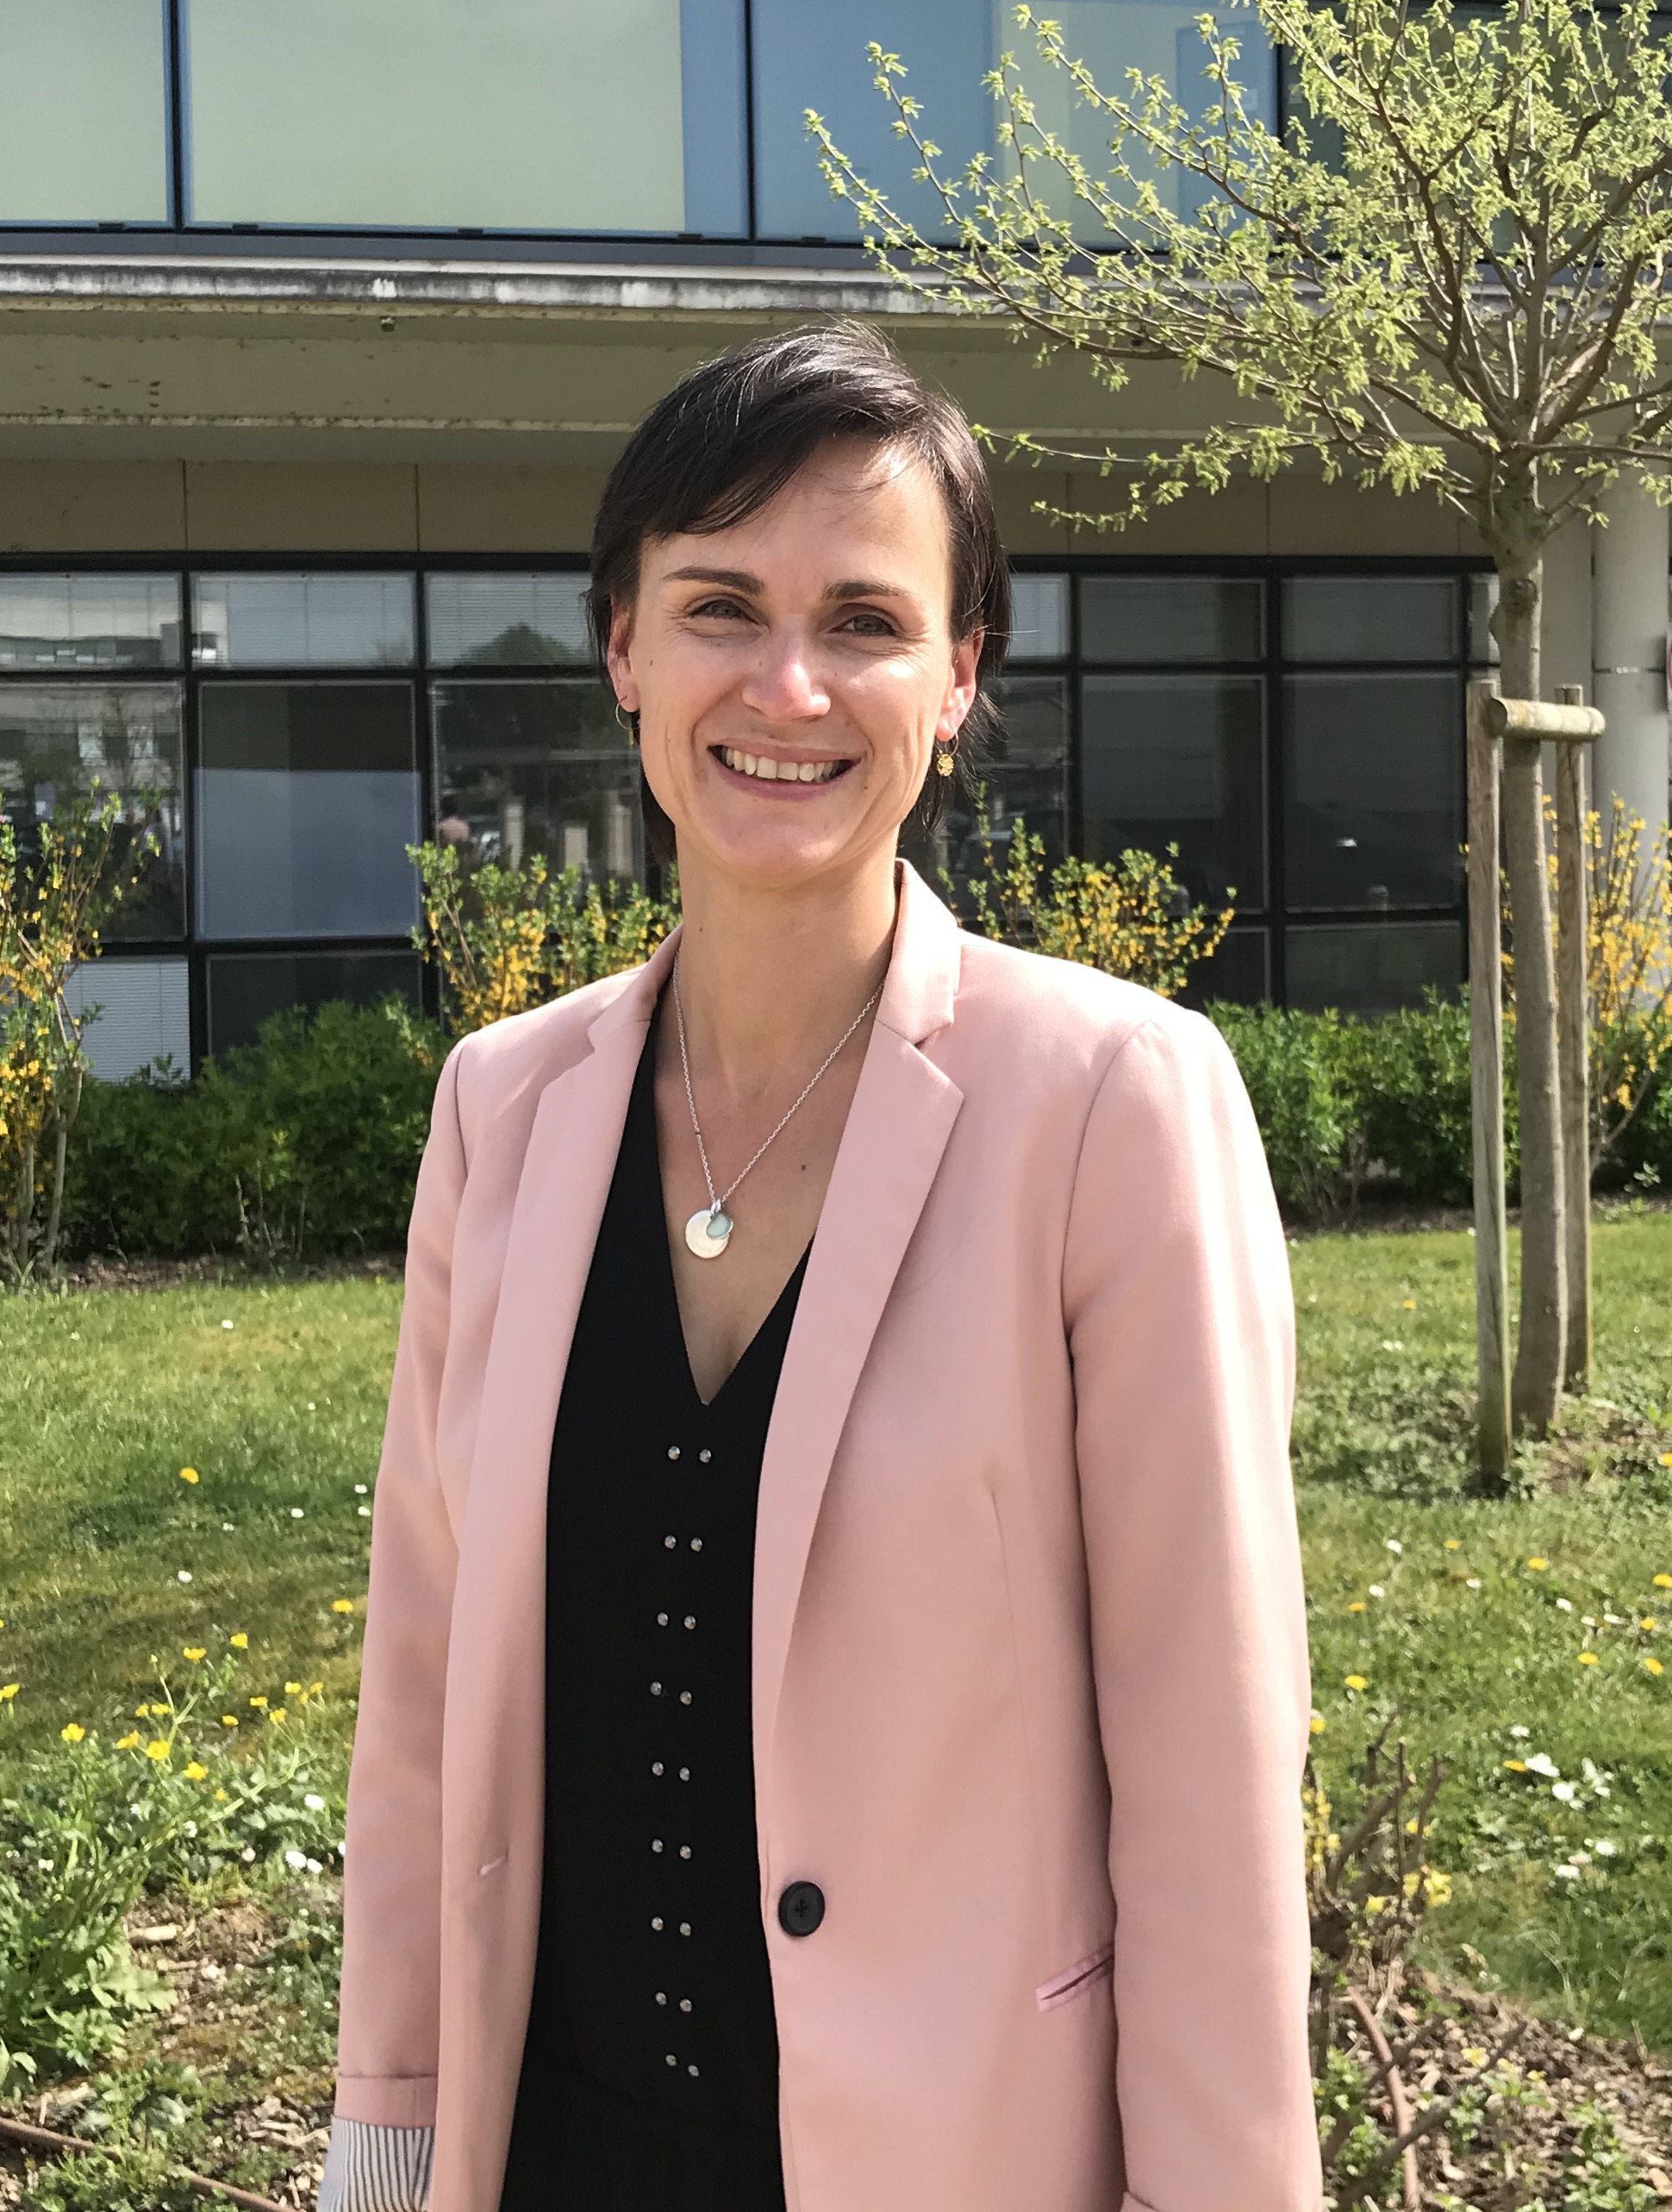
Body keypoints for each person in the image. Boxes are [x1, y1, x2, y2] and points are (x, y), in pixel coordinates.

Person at [317, 322, 1320, 2212]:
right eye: (719, 607)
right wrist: (389, 2139)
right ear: (625, 649)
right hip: (560, 2162)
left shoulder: (1111, 1104)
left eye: (864, 619)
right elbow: (429, 1695)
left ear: (956, 679)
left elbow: (1207, 1790)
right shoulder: (502, 1112)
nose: (788, 682)